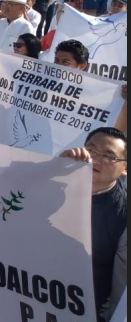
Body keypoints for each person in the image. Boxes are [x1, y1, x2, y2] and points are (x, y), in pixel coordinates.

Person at [60, 128, 127, 321]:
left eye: (109, 156)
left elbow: (121, 291)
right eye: (91, 149)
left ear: (125, 169)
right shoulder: (54, 182)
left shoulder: (123, 218)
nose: (95, 159)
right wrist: (55, 168)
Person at [0, 0, 35, 73]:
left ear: (22, 8)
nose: (7, 7)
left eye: (11, 4)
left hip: (11, 76)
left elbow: (27, 57)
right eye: (6, 3)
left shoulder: (26, 28)